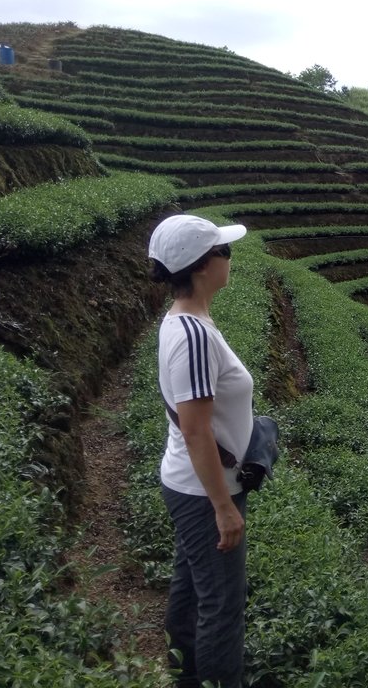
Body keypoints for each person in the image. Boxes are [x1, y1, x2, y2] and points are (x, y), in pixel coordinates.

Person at [148, 213, 252, 688]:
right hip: (202, 490)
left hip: (190, 484)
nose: (230, 258)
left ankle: (184, 674)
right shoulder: (191, 336)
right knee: (222, 604)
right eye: (223, 251)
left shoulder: (192, 322)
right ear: (203, 265)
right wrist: (223, 507)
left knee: (192, 587)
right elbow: (195, 432)